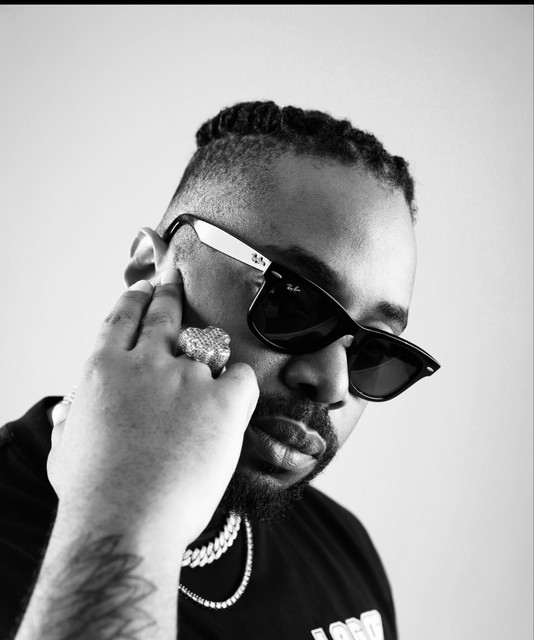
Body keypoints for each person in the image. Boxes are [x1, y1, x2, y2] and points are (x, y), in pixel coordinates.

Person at [0, 101, 440, 640]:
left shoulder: (344, 548)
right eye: (291, 303)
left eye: (375, 350)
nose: (331, 384)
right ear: (152, 269)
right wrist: (124, 512)